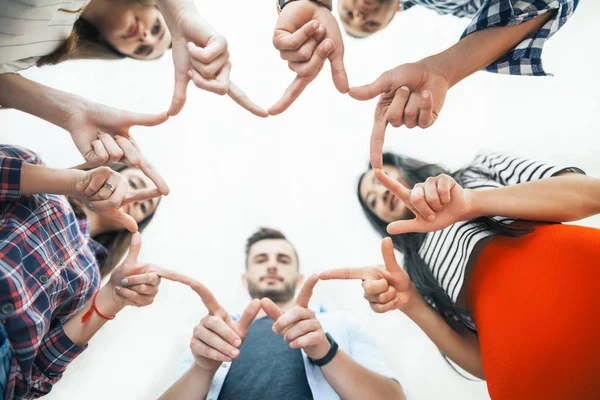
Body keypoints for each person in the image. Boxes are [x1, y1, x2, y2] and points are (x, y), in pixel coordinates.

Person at [320, 150, 600, 399]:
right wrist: (410, 303)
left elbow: (592, 194)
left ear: (402, 168)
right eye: (372, 201)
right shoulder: (414, 273)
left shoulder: (479, 169)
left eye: (382, 181)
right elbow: (481, 363)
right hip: (534, 382)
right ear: (380, 220)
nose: (381, 194)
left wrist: (473, 202)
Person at [271, 0, 578, 168]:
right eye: (369, 26)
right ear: (397, 11)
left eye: (348, 12)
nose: (360, 15)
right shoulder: (459, 5)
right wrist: (443, 70)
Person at [0, 0, 267, 192]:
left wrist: (68, 111)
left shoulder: (43, 50)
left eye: (140, 50)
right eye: (156, 29)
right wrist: (181, 10)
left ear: (113, 48)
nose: (146, 39)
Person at [160, 227, 406, 400]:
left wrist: (325, 351)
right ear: (245, 279)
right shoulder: (209, 337)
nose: (272, 265)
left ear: (298, 278)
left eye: (283, 259)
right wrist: (203, 368)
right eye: (261, 259)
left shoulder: (343, 324)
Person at [0, 144, 167, 399]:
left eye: (145, 206)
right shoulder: (39, 184)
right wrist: (76, 181)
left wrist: (113, 296)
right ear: (110, 173)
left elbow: (39, 373)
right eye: (134, 184)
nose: (138, 199)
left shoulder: (91, 280)